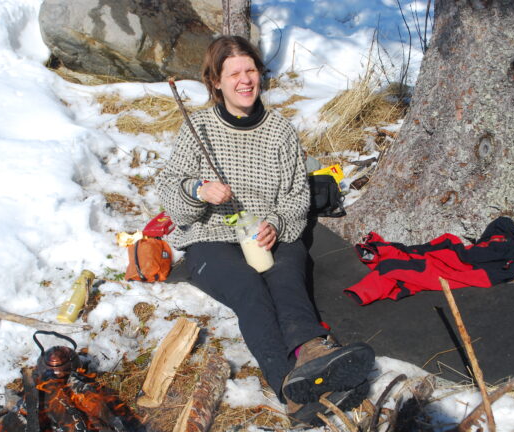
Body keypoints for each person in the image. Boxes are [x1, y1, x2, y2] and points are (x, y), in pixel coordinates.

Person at [155, 35, 375, 426]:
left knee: (287, 279)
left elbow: (296, 196)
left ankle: (312, 353)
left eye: (251, 70)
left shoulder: (279, 131)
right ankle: (292, 390)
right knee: (250, 291)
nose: (245, 80)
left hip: (267, 232)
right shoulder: (199, 128)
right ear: (216, 82)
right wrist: (199, 189)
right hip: (212, 237)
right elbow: (170, 187)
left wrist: (274, 224)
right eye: (234, 73)